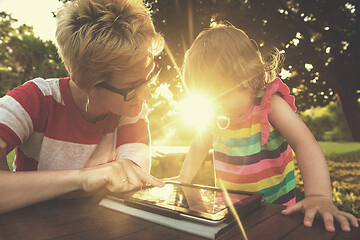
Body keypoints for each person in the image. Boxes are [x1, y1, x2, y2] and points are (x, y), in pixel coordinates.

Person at [173, 24, 358, 232]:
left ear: (251, 78)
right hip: (229, 210)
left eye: (221, 95)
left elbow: (304, 143)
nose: (215, 103)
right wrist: (184, 177)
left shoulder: (270, 105)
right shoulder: (216, 114)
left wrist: (318, 196)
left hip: (274, 209)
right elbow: (199, 144)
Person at [0, 0, 166, 214]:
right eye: (132, 89)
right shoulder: (35, 99)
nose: (148, 96)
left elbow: (131, 181)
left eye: (148, 79)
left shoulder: (131, 112)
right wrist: (83, 178)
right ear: (87, 84)